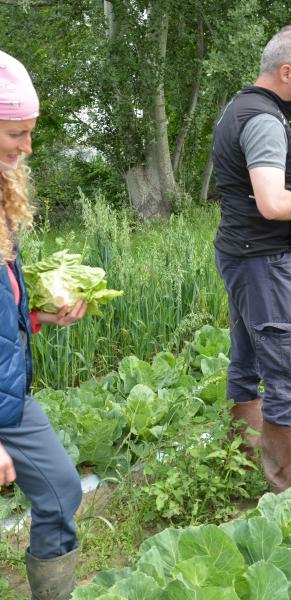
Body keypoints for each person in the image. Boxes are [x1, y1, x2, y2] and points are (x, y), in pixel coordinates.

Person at [211, 25, 291, 493]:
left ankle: (241, 465)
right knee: (285, 375)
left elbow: (249, 184)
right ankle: (283, 494)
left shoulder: (239, 107)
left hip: (238, 253)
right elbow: (270, 204)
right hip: (262, 261)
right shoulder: (266, 119)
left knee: (245, 363)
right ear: (286, 71)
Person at [0, 49, 87, 599]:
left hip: (8, 394)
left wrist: (38, 315)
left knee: (60, 490)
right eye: (18, 133)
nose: (29, 146)